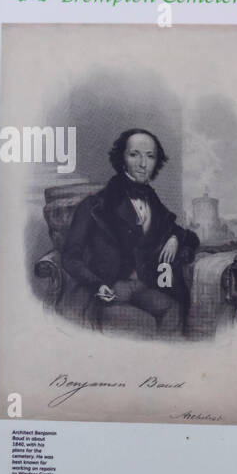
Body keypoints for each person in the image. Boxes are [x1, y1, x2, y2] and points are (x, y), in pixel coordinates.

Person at [60, 128, 199, 337]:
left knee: (174, 310)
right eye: (135, 155)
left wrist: (175, 238)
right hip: (109, 288)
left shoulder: (152, 200)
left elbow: (186, 235)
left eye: (150, 156)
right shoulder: (94, 206)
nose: (144, 164)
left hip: (145, 284)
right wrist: (97, 284)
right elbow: (70, 257)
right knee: (145, 324)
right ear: (122, 159)